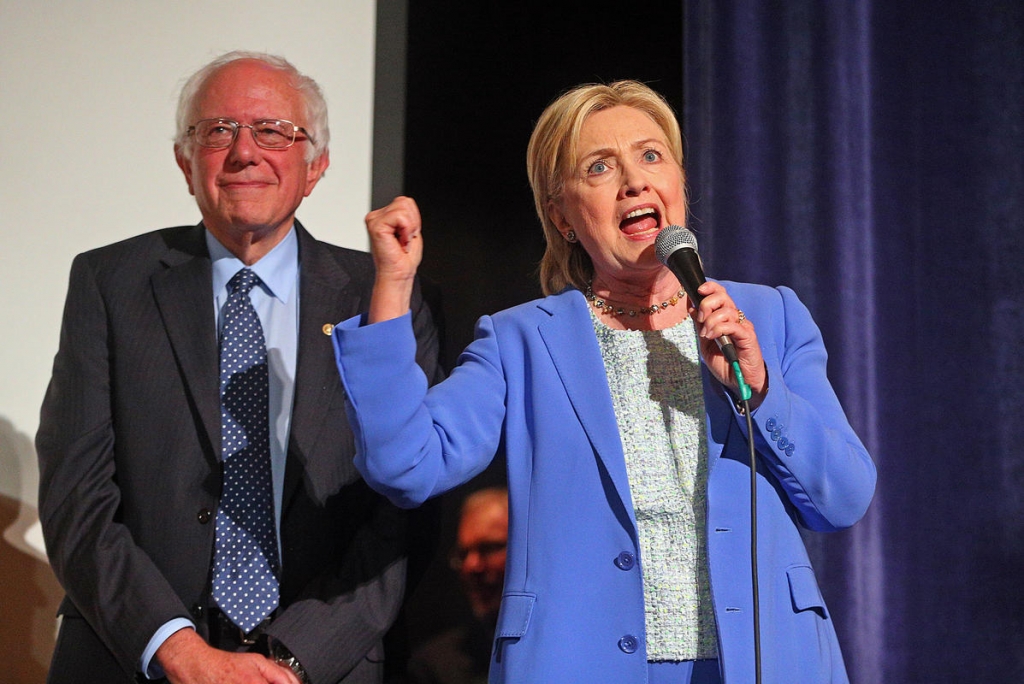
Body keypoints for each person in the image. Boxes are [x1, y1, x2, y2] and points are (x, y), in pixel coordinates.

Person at [331, 81, 876, 683]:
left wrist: (762, 390)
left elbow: (842, 497)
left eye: (650, 155)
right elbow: (405, 464)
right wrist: (391, 287)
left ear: (678, 185)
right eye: (599, 167)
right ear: (561, 215)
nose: (634, 182)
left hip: (762, 661)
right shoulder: (523, 341)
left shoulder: (767, 317)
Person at [36, 51, 442, 684]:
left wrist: (292, 658)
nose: (244, 152)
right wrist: (177, 649)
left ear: (316, 167)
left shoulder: (383, 293)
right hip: (131, 658)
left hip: (319, 666)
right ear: (184, 161)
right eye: (218, 130)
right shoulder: (109, 283)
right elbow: (76, 498)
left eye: (274, 131)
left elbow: (404, 508)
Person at [406, 487, 508, 684]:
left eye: (488, 547)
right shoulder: (434, 666)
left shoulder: (571, 644)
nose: (471, 566)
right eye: (463, 554)